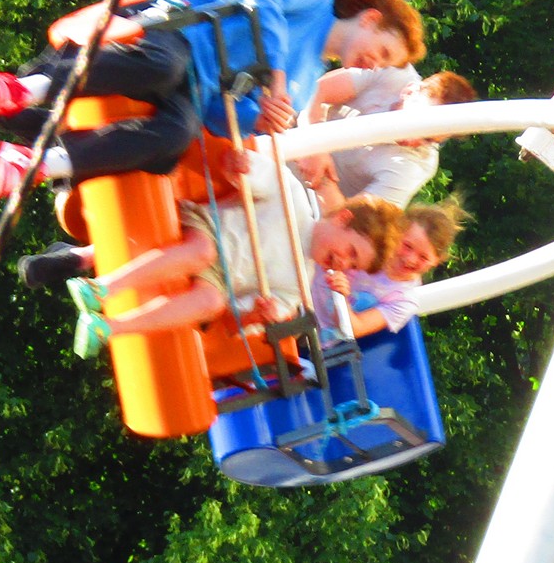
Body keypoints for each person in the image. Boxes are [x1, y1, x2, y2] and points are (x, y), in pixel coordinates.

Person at [0, 0, 424, 197]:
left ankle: (36, 163)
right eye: (382, 51)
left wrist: (256, 121)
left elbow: (218, 115)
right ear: (368, 19)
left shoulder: (308, 80)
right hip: (185, 37)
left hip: (198, 89)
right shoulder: (316, 1)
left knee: (177, 135)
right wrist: (277, 74)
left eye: (384, 65)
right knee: (161, 66)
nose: (373, 64)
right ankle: (23, 89)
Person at [65, 158, 403, 358]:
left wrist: (258, 313)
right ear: (343, 220)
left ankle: (108, 328)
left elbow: (235, 320)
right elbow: (248, 172)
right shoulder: (294, 199)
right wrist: (241, 168)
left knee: (212, 302)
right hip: (207, 227)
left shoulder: (300, 285)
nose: (343, 264)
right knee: (203, 252)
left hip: (219, 278)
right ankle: (102, 288)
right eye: (351, 252)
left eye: (353, 266)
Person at [299, 68, 477, 208]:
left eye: (429, 140)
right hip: (286, 135)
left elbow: (348, 221)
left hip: (305, 209)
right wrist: (314, 146)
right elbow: (316, 90)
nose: (416, 141)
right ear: (410, 91)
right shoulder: (393, 70)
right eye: (420, 125)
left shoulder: (418, 165)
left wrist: (319, 173)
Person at [319, 196, 467, 338]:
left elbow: (353, 329)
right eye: (407, 246)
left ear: (436, 261)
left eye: (423, 257)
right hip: (303, 283)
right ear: (397, 232)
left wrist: (340, 296)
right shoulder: (371, 243)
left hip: (312, 331)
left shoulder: (403, 300)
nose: (410, 259)